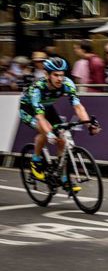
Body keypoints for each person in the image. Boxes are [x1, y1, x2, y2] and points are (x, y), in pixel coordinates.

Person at [19, 58, 100, 191]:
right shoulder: (37, 89)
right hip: (29, 109)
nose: (59, 78)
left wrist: (88, 125)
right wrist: (49, 133)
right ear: (47, 75)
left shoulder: (68, 84)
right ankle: (36, 161)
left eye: (62, 75)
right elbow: (40, 116)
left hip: (47, 107)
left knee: (62, 140)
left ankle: (64, 178)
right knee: (47, 131)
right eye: (55, 75)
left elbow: (78, 107)